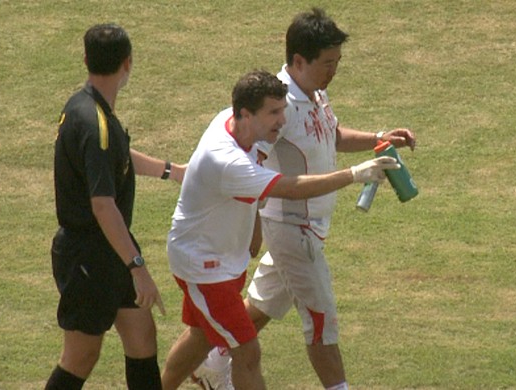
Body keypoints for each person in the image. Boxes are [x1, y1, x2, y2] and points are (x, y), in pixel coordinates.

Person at [192, 8, 417, 390]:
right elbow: (252, 163)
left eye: (337, 62)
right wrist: (255, 223)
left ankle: (212, 363)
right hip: (292, 229)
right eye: (327, 63)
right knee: (320, 317)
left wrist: (378, 138)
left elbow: (332, 135)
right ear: (299, 60)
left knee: (263, 305)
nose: (334, 71)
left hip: (308, 226)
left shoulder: (315, 92)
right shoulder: (278, 106)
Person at [160, 70, 398, 390]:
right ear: (244, 114)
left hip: (221, 258)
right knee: (247, 352)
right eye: (273, 113)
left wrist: (255, 226)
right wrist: (355, 174)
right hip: (204, 265)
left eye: (283, 110)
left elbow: (252, 187)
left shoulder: (239, 128)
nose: (282, 121)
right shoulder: (228, 160)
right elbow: (288, 187)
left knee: (203, 336)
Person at [46, 23, 185, 390]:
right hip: (90, 256)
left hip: (110, 251)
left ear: (86, 59)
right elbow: (103, 206)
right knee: (81, 356)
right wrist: (136, 266)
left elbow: (116, 157)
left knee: (142, 337)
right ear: (129, 63)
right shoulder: (96, 124)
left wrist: (171, 171)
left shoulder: (84, 107)